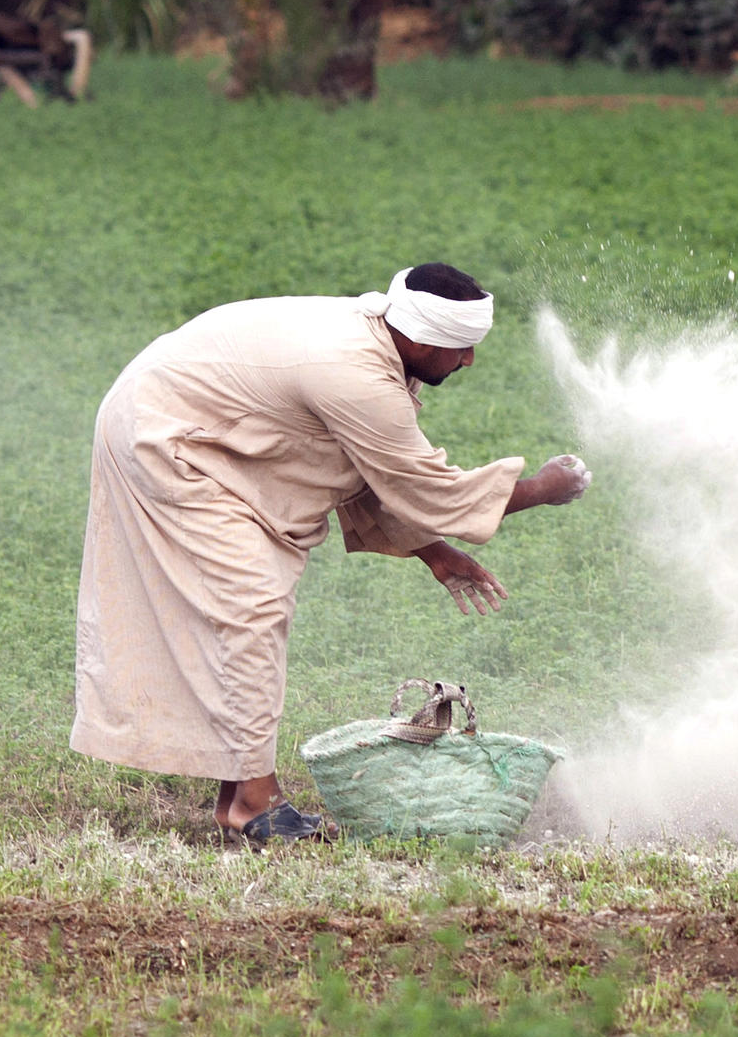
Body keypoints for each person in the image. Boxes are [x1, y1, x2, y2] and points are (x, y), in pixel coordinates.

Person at [72, 263, 589, 844]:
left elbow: (362, 464)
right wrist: (545, 489)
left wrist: (433, 552)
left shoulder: (377, 345)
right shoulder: (356, 376)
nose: (469, 361)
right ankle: (254, 806)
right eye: (461, 348)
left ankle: (237, 793)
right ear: (420, 338)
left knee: (244, 614)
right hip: (167, 438)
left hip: (195, 424)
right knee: (250, 609)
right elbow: (428, 490)